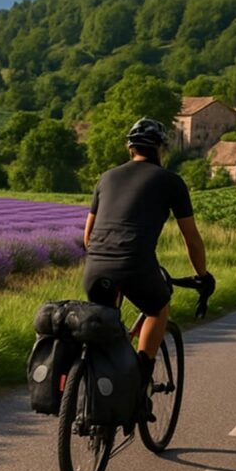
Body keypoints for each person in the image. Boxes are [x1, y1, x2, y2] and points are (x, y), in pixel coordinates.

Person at [82, 117, 210, 411]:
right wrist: (202, 274)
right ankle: (140, 379)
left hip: (95, 267)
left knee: (109, 327)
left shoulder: (106, 177)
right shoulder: (170, 182)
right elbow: (191, 239)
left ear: (130, 149)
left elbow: (87, 237)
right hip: (136, 264)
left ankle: (104, 386)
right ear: (160, 150)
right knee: (157, 307)